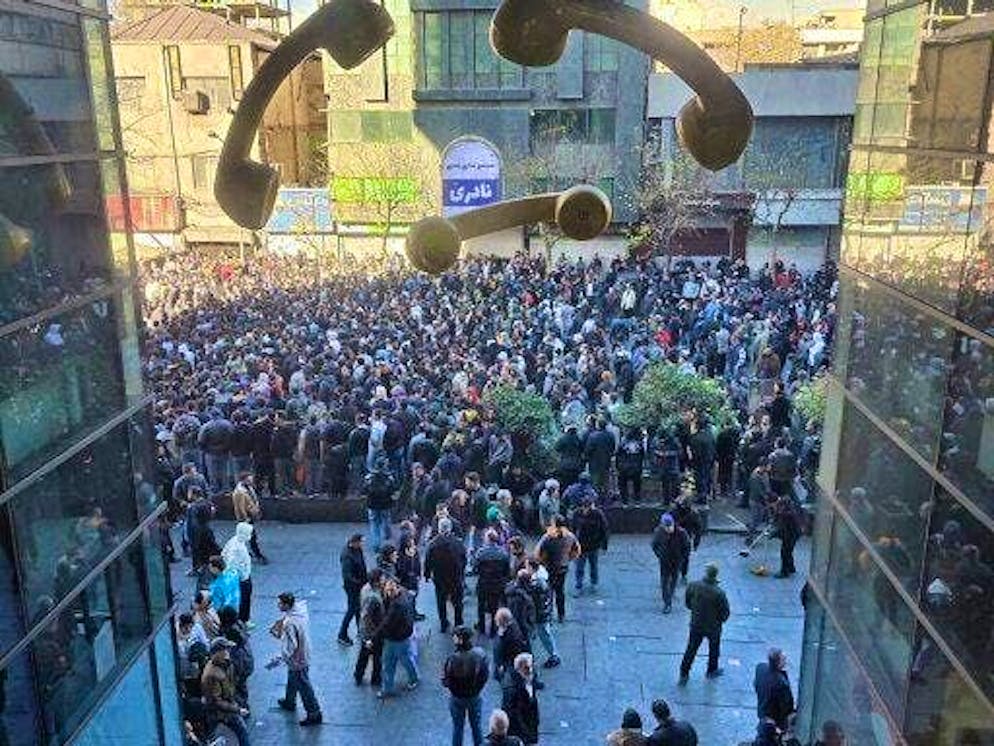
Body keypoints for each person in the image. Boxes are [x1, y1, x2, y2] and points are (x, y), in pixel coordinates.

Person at [271, 592, 322, 726]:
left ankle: (314, 712)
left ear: (287, 605)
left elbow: (290, 646)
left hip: (297, 658)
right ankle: (289, 701)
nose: (278, 605)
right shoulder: (300, 612)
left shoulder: (290, 623)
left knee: (303, 684)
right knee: (293, 677)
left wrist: (281, 657)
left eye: (280, 603)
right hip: (304, 651)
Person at [678, 562, 730, 685]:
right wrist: (719, 620)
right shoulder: (719, 593)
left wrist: (695, 610)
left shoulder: (693, 586)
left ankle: (684, 672)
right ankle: (711, 670)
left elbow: (688, 603)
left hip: (696, 623)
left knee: (691, 648)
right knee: (714, 648)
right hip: (713, 627)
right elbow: (725, 613)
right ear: (716, 575)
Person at [442, 625, 490, 746]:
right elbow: (484, 676)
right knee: (476, 727)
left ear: (460, 639)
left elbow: (446, 680)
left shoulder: (452, 659)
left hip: (457, 698)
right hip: (474, 696)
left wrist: (452, 688)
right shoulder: (480, 655)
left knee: (457, 728)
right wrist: (477, 689)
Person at [374, 578, 420, 698]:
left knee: (390, 662)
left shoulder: (397, 605)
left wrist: (373, 638)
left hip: (396, 638)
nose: (388, 592)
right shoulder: (404, 594)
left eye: (390, 590)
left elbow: (387, 623)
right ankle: (413, 678)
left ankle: (388, 688)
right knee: (404, 660)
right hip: (403, 636)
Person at [201, 637, 251, 745]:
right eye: (225, 649)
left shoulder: (225, 664)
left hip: (223, 707)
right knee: (242, 731)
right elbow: (216, 701)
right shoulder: (211, 674)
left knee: (211, 734)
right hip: (220, 711)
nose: (228, 652)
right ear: (218, 652)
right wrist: (237, 709)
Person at [535, 514, 581, 623]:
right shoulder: (570, 536)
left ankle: (549, 614)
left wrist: (541, 562)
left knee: (548, 591)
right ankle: (561, 615)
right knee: (560, 591)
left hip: (549, 567)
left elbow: (537, 552)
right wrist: (569, 558)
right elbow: (577, 550)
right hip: (563, 567)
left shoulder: (548, 537)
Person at [425, 517, 467, 632]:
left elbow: (428, 561)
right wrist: (461, 572)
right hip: (455, 577)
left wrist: (427, 574)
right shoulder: (458, 543)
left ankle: (443, 623)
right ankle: (458, 622)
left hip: (440, 578)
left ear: (439, 529)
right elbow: (464, 559)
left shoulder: (433, 544)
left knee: (441, 601)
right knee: (457, 601)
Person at [651, 514, 690, 613]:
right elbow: (654, 545)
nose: (668, 529)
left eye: (670, 526)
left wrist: (682, 559)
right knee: (664, 581)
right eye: (666, 527)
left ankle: (670, 594)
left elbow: (687, 547)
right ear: (662, 525)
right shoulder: (659, 532)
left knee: (673, 579)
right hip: (664, 560)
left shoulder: (681, 533)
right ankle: (667, 603)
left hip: (676, 560)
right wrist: (659, 555)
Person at [475, 529, 511, 636]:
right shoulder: (503, 553)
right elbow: (506, 571)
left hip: (483, 583)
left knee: (481, 605)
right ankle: (493, 628)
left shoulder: (481, 553)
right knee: (494, 606)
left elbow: (475, 568)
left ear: (487, 539)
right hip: (497, 584)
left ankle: (481, 626)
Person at [571, 496, 609, 595]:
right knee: (580, 567)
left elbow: (604, 530)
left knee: (593, 566)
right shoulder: (577, 514)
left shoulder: (598, 514)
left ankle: (594, 583)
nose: (586, 509)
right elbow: (573, 529)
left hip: (593, 545)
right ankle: (579, 585)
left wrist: (604, 545)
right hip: (581, 545)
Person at [355, 568, 385, 686]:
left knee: (364, 655)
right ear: (376, 582)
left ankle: (358, 675)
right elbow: (367, 617)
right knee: (376, 656)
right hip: (372, 632)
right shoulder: (373, 597)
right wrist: (371, 636)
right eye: (382, 578)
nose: (384, 580)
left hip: (367, 631)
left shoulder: (366, 588)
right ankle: (375, 678)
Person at [501, 653, 540, 745]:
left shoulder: (528, 678)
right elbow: (513, 715)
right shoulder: (512, 688)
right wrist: (527, 734)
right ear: (518, 669)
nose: (530, 670)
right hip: (520, 733)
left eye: (531, 667)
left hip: (528, 726)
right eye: (526, 668)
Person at [337, 533, 368, 646]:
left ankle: (361, 630)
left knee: (358, 609)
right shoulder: (347, 556)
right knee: (352, 610)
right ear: (354, 542)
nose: (362, 544)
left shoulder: (357, 550)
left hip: (359, 585)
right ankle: (342, 634)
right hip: (353, 588)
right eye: (360, 542)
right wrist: (360, 583)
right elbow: (347, 576)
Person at [753, 648, 794, 732]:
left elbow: (755, 684)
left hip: (762, 712)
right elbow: (787, 706)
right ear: (777, 663)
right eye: (783, 660)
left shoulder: (760, 668)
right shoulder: (781, 683)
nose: (786, 662)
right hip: (775, 719)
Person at [221, 522, 254, 624]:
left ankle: (241, 618)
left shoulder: (234, 541)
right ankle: (244, 619)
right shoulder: (238, 548)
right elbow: (232, 564)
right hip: (242, 578)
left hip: (240, 576)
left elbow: (224, 554)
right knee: (244, 599)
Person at [231, 471, 267, 563]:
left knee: (243, 537)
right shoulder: (240, 492)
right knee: (252, 537)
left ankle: (240, 553)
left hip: (250, 514)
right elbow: (241, 507)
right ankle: (258, 555)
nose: (251, 481)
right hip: (246, 517)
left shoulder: (249, 488)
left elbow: (254, 499)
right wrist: (245, 518)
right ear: (244, 480)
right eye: (249, 479)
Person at [364, 455, 397, 552]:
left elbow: (364, 489)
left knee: (374, 525)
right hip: (385, 504)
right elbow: (393, 490)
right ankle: (387, 534)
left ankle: (376, 544)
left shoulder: (369, 478)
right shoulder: (389, 478)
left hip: (372, 504)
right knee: (386, 520)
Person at [771, 495, 801, 578]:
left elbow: (782, 528)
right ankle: (791, 568)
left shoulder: (786, 514)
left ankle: (784, 572)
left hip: (790, 535)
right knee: (789, 551)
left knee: (784, 553)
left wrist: (773, 534)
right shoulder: (787, 511)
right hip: (794, 534)